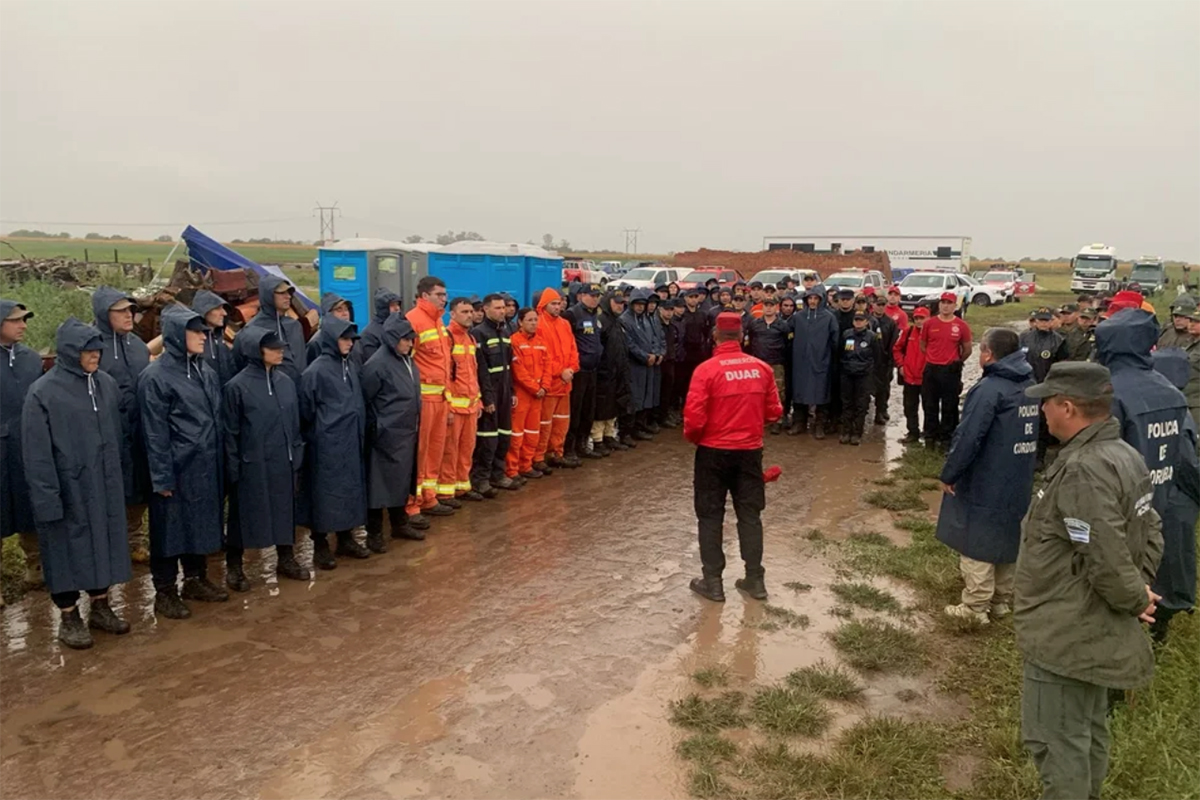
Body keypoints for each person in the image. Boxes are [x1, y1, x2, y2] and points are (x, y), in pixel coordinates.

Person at [1015, 361, 1163, 800]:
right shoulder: (1124, 454)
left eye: (1047, 403)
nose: (1042, 411)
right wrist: (1139, 588)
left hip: (1066, 629)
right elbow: (1150, 527)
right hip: (1092, 625)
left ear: (1068, 406)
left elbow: (1104, 550)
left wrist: (1134, 596)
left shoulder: (1083, 467)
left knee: (1056, 741)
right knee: (1086, 731)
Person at [20, 318, 131, 648]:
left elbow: (117, 437)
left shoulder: (106, 384)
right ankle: (68, 616)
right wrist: (47, 498)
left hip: (104, 484)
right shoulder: (43, 393)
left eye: (97, 349)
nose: (95, 355)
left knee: (103, 545)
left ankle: (100, 605)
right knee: (66, 550)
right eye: (87, 350)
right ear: (70, 352)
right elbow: (36, 454)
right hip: (66, 489)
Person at [1095, 308, 1199, 642]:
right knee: (1154, 565)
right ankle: (1153, 627)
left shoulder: (1110, 392)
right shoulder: (1170, 391)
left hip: (1116, 504)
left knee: (1114, 577)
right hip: (1160, 500)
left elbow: (1099, 454)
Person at [936, 328, 1038, 623]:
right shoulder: (1029, 384)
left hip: (987, 476)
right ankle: (1001, 600)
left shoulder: (989, 389)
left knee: (977, 537)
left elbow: (968, 437)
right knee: (1008, 533)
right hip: (1019, 475)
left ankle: (975, 607)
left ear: (988, 354)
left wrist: (950, 473)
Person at [684, 312, 783, 603]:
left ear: (715, 335)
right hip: (749, 453)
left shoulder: (706, 370)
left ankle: (713, 582)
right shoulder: (762, 369)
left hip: (712, 453)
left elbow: (693, 419)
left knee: (710, 516)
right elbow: (774, 412)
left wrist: (698, 441)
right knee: (750, 516)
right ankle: (755, 580)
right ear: (742, 337)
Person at [138, 304, 228, 619]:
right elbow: (153, 431)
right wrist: (161, 477)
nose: (204, 336)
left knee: (200, 524)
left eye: (204, 330)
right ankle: (164, 591)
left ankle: (195, 578)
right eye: (196, 331)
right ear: (177, 335)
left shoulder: (205, 370)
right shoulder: (156, 377)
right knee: (169, 530)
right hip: (176, 467)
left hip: (205, 465)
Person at [222, 329, 308, 590]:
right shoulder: (236, 387)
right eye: (273, 347)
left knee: (284, 509)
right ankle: (235, 567)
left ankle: (285, 558)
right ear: (256, 351)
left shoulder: (285, 382)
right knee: (244, 516)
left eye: (281, 346)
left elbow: (294, 423)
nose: (280, 351)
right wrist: (234, 468)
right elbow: (230, 432)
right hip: (252, 464)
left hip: (283, 460)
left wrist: (296, 454)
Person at [300, 316, 375, 571]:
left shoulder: (350, 366)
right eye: (344, 339)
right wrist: (322, 433)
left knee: (350, 491)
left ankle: (345, 538)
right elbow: (306, 411)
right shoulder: (316, 371)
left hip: (351, 441)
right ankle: (320, 544)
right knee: (323, 495)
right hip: (326, 444)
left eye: (351, 339)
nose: (350, 344)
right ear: (331, 339)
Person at [91, 287, 152, 565]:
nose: (129, 315)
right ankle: (107, 546)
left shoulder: (138, 346)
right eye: (121, 311)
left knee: (138, 487)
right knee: (108, 489)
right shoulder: (92, 348)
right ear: (105, 314)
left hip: (138, 429)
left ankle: (134, 541)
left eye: (131, 310)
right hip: (105, 432)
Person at [362, 312, 424, 541]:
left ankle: (400, 522)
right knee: (378, 486)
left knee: (401, 481)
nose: (409, 343)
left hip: (406, 433)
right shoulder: (377, 364)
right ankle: (375, 533)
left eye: (411, 339)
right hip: (385, 436)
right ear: (391, 338)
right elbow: (367, 398)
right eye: (405, 339)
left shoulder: (407, 360)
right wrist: (379, 428)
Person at [1, 299, 43, 598]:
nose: (23, 325)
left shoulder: (31, 359)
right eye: (15, 320)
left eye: (24, 319)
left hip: (27, 444)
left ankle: (36, 567)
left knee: (31, 505)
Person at [406, 276, 455, 522]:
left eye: (445, 295)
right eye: (439, 295)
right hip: (423, 400)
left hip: (440, 399)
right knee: (420, 452)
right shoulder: (414, 320)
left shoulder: (438, 322)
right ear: (424, 296)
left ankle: (429, 497)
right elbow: (406, 362)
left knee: (435, 451)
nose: (443, 299)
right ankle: (412, 505)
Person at [471, 294, 517, 496]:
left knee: (504, 434)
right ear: (486, 309)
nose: (502, 311)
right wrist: (487, 399)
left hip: (505, 391)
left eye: (503, 308)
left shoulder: (506, 330)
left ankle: (499, 474)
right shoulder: (479, 333)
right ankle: (481, 479)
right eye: (497, 308)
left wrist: (512, 391)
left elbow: (509, 365)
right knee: (487, 439)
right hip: (490, 393)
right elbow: (481, 370)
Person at [439, 298, 484, 506]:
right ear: (452, 314)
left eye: (470, 311)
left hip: (471, 406)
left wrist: (479, 401)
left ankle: (462, 486)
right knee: (450, 451)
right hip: (454, 407)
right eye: (464, 311)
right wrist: (446, 406)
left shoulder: (470, 338)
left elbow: (473, 374)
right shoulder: (447, 338)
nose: (469, 315)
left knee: (467, 449)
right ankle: (446, 493)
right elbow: (445, 375)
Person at [532, 288, 580, 471]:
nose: (557, 307)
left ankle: (556, 453)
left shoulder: (564, 324)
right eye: (553, 303)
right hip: (550, 384)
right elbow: (543, 357)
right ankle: (540, 455)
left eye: (559, 303)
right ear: (544, 305)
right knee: (545, 423)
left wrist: (571, 369)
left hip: (565, 383)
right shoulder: (540, 325)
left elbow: (573, 349)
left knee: (561, 422)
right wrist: (561, 372)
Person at [920, 292, 973, 449]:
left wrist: (956, 362)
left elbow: (967, 349)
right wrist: (933, 357)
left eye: (949, 302)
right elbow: (923, 345)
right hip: (931, 369)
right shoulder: (929, 324)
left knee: (949, 406)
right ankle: (930, 437)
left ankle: (946, 438)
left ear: (954, 306)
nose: (945, 305)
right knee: (930, 405)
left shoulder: (961, 326)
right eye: (943, 302)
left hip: (950, 370)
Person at [1021, 307, 1070, 467]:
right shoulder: (1024, 337)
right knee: (1024, 419)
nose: (1043, 323)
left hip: (1046, 387)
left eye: (1046, 320)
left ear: (1051, 322)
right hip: (1026, 384)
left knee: (1042, 423)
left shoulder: (1059, 340)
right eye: (1040, 320)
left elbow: (1063, 365)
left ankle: (1038, 457)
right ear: (1035, 322)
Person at [788, 289, 839, 438]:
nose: (812, 301)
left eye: (816, 298)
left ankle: (819, 425)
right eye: (810, 298)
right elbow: (788, 332)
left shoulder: (829, 317)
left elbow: (835, 340)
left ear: (821, 300)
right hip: (800, 362)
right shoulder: (798, 317)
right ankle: (799, 423)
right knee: (799, 393)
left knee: (821, 393)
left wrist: (829, 357)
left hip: (821, 361)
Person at [563, 285, 604, 460]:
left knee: (589, 410)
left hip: (593, 370)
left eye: (597, 296)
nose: (595, 299)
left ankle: (582, 443)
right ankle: (569, 447)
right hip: (578, 372)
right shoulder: (572, 314)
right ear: (581, 296)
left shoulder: (595, 315)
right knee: (576, 410)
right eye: (591, 295)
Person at [507, 308, 548, 480]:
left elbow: (548, 365)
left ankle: (526, 465)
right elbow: (518, 370)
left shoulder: (541, 342)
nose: (533, 323)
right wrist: (535, 388)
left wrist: (544, 387)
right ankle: (512, 469)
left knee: (533, 432)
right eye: (530, 320)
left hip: (538, 395)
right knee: (517, 434)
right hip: (523, 394)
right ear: (520, 322)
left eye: (535, 320)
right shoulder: (514, 341)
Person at [242, 276, 307, 384]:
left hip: (299, 390)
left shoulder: (295, 325)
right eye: (282, 293)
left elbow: (301, 361)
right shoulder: (253, 329)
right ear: (268, 295)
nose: (288, 297)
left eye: (289, 292)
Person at [593, 291, 633, 453]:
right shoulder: (601, 322)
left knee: (614, 405)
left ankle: (609, 435)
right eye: (616, 303)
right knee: (602, 407)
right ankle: (598, 439)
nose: (620, 306)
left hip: (618, 372)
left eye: (622, 303)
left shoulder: (618, 322)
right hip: (604, 372)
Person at [621, 288, 663, 441]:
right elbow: (630, 344)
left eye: (642, 304)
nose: (640, 307)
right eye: (637, 304)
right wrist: (645, 356)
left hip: (648, 363)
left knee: (646, 395)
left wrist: (656, 353)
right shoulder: (626, 320)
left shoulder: (645, 319)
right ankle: (629, 430)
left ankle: (640, 424)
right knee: (635, 397)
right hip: (635, 364)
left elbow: (654, 338)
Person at [744, 296, 789, 435]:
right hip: (758, 363)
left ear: (776, 307)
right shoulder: (755, 324)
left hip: (776, 364)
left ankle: (778, 420)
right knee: (758, 392)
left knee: (778, 393)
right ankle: (760, 419)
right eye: (766, 305)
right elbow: (749, 341)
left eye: (771, 305)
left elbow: (788, 343)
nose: (768, 308)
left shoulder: (783, 325)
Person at [838, 312, 878, 446]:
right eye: (856, 320)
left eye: (861, 320)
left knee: (861, 405)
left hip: (864, 375)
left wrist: (872, 374)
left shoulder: (872, 337)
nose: (858, 323)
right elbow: (840, 353)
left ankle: (857, 433)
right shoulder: (846, 334)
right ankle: (846, 431)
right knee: (846, 403)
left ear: (866, 322)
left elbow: (878, 357)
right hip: (847, 373)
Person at [894, 307, 930, 444]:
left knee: (929, 407)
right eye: (917, 318)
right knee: (909, 407)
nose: (919, 321)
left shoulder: (932, 333)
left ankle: (929, 433)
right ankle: (912, 432)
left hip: (926, 378)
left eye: (922, 318)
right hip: (909, 377)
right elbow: (896, 349)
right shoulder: (907, 332)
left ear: (928, 318)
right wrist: (901, 365)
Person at [191, 290, 238, 388]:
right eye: (217, 308)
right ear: (204, 310)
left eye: (223, 308)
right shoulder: (194, 344)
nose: (224, 313)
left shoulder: (221, 342)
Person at [306, 292, 362, 367]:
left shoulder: (353, 337)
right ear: (328, 314)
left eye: (346, 309)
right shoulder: (316, 343)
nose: (345, 313)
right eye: (339, 310)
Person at [870, 296, 899, 425]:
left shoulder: (890, 323)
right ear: (873, 305)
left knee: (883, 388)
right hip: (868, 361)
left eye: (883, 304)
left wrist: (891, 362)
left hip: (884, 361)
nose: (880, 307)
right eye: (878, 304)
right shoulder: (867, 320)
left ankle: (881, 411)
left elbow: (894, 343)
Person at [655, 298, 682, 428]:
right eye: (667, 309)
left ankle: (664, 415)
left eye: (671, 309)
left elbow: (676, 342)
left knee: (668, 391)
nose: (669, 312)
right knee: (659, 391)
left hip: (671, 361)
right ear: (660, 309)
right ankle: (658, 417)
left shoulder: (672, 326)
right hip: (660, 362)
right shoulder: (657, 326)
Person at [360, 288, 402, 361]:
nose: (397, 308)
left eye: (398, 304)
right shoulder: (369, 334)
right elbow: (372, 363)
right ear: (383, 308)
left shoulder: (400, 327)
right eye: (392, 305)